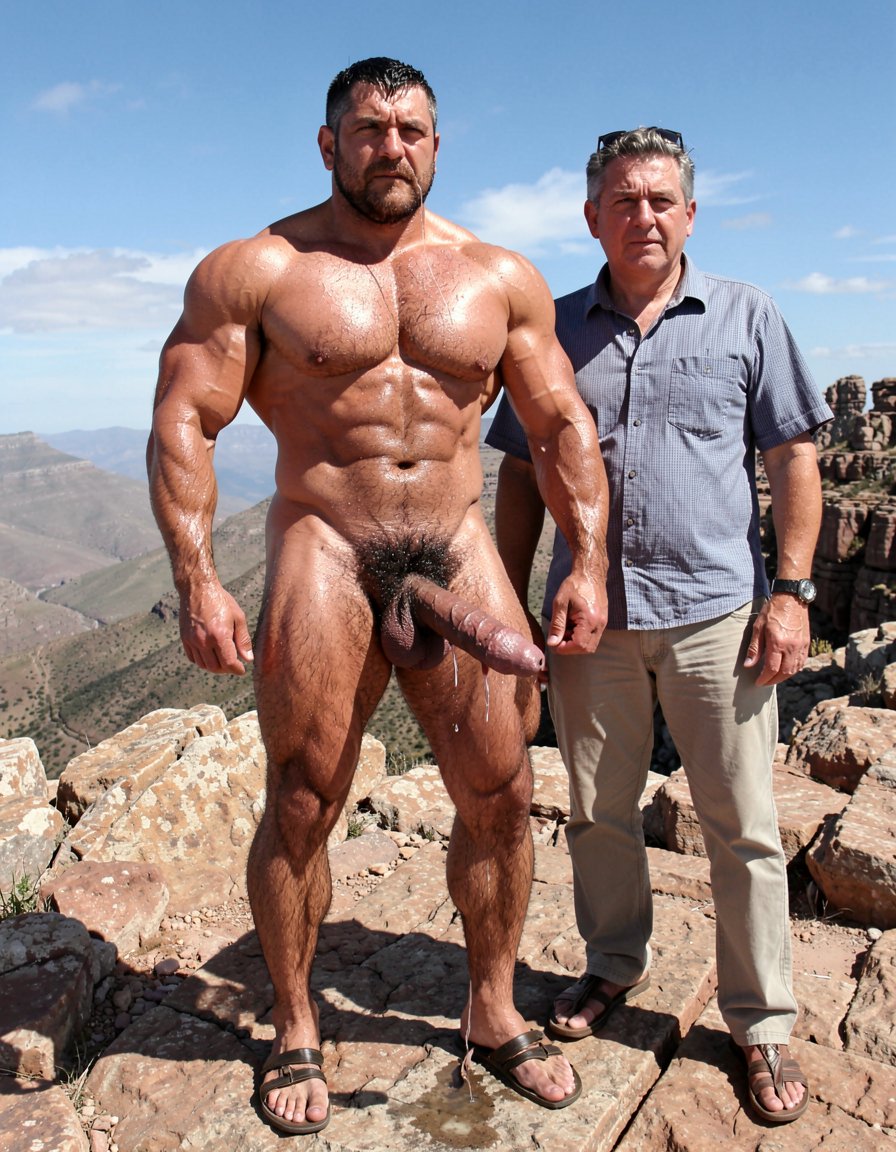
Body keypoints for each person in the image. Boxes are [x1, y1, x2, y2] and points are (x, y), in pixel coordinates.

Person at [147, 57, 609, 1136]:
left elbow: (558, 425)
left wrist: (586, 559)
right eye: (367, 129)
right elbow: (185, 419)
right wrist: (197, 577)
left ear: (436, 145)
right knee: (304, 797)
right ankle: (295, 1022)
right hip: (327, 543)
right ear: (329, 144)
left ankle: (492, 1007)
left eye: (410, 130)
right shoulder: (258, 269)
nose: (390, 146)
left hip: (454, 541)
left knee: (500, 794)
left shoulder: (497, 276)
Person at [486, 126, 832, 1126]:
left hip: (717, 617)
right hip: (587, 621)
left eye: (660, 199)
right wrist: (507, 598)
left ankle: (759, 1020)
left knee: (742, 825)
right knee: (598, 812)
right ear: (591, 216)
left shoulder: (746, 316)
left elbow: (792, 458)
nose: (643, 215)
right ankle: (611, 963)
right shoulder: (549, 327)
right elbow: (521, 472)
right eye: (623, 200)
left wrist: (792, 592)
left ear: (688, 212)